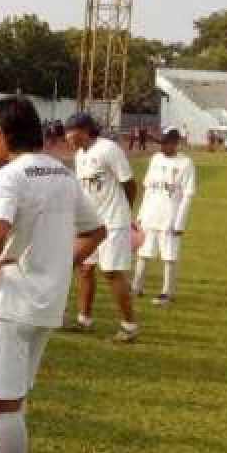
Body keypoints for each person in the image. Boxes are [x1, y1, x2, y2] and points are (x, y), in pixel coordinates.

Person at [0, 96, 105, 453]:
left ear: (2, 135)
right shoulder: (61, 172)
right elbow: (96, 230)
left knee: (1, 402)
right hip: (46, 303)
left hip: (7, 303)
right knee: (16, 392)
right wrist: (62, 264)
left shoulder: (9, 176)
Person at [65, 113, 140, 342]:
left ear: (86, 130)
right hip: (91, 224)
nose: (68, 136)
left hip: (114, 222)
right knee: (85, 269)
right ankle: (84, 320)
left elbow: (129, 183)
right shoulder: (80, 155)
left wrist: (124, 213)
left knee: (111, 272)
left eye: (72, 131)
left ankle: (129, 326)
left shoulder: (108, 149)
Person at [133, 128, 196, 306]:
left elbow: (187, 195)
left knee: (169, 255)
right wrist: (140, 215)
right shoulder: (155, 159)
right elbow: (148, 189)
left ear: (176, 143)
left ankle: (167, 293)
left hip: (170, 219)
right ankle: (137, 287)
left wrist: (180, 223)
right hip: (150, 215)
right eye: (161, 142)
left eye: (166, 143)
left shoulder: (185, 163)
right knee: (143, 252)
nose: (162, 146)